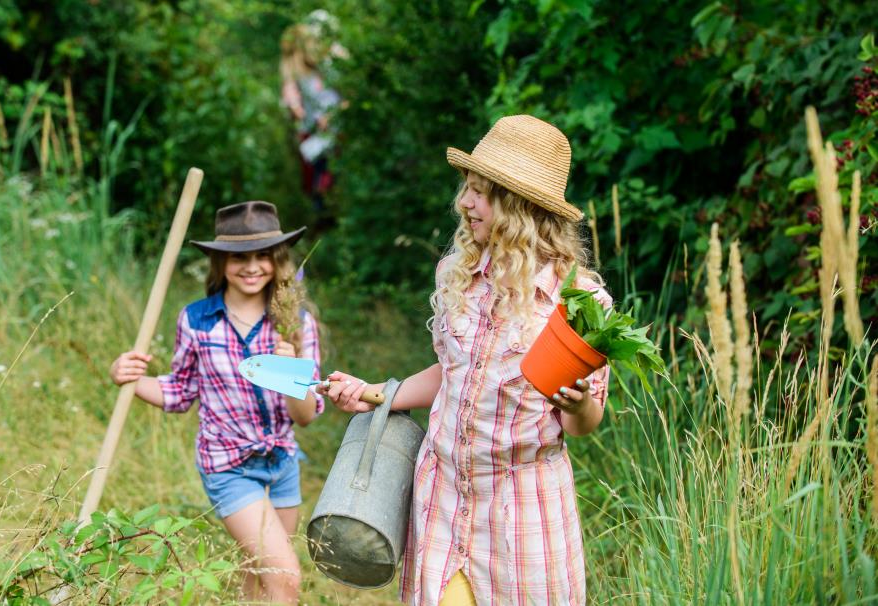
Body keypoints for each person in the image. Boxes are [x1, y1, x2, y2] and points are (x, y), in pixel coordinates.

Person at [319, 115, 611, 605]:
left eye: (480, 192)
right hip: (445, 495)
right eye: (466, 189)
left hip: (522, 510)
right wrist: (376, 394)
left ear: (518, 206)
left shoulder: (577, 303)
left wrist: (579, 403)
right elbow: (452, 376)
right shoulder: (460, 275)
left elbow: (583, 423)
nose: (465, 203)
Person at [109, 201, 323, 604]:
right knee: (285, 578)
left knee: (258, 580)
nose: (252, 266)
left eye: (263, 255)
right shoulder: (197, 320)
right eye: (239, 257)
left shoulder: (295, 323)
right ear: (221, 262)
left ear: (278, 261)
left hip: (281, 465)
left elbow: (307, 417)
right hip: (228, 465)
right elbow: (179, 392)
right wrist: (128, 378)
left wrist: (290, 372)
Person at [280, 19, 344, 217]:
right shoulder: (297, 68)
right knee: (317, 174)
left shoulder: (331, 61)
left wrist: (333, 115)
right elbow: (291, 91)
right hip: (313, 130)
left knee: (329, 174)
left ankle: (330, 213)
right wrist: (295, 106)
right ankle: (323, 214)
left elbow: (345, 93)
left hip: (333, 129)